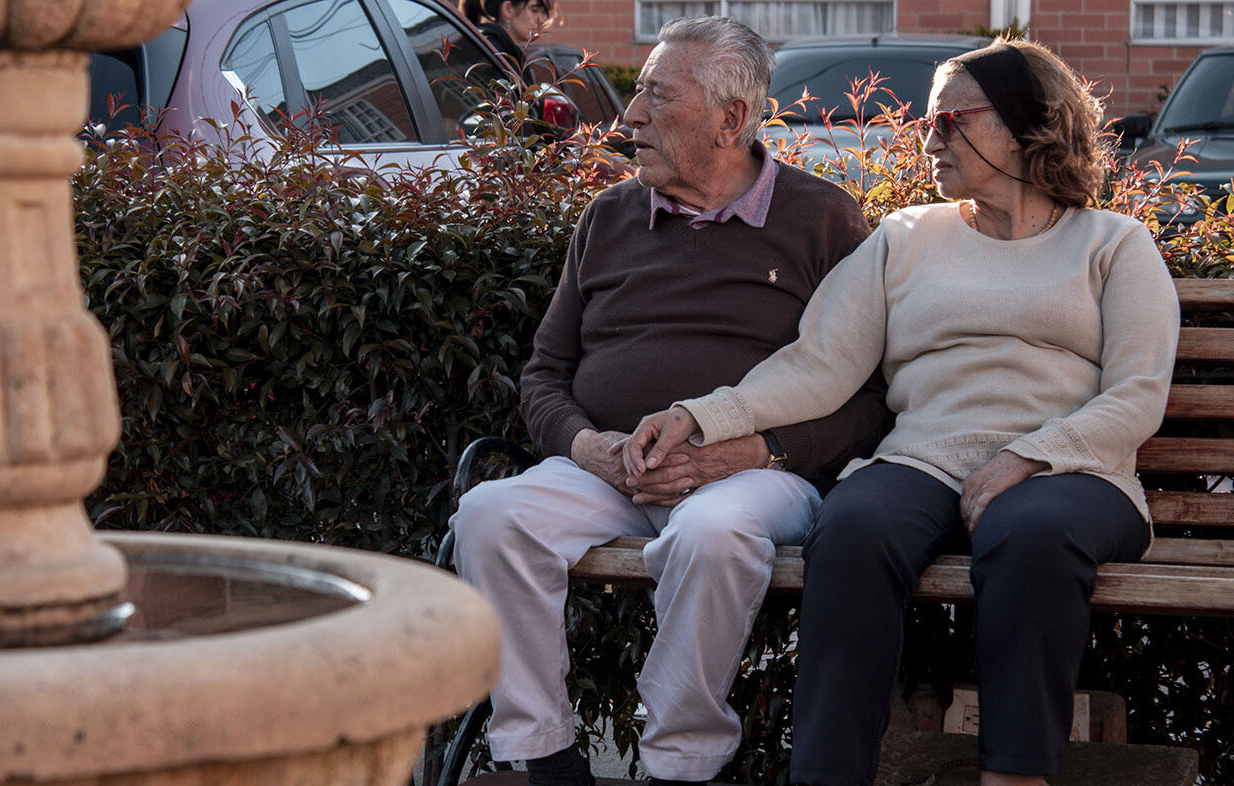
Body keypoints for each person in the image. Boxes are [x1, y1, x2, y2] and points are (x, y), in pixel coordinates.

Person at [622, 38, 1180, 786]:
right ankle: (826, 774)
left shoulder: (1112, 244)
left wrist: (1031, 456)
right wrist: (702, 414)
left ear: (1022, 124)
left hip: (1070, 470)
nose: (929, 138)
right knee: (851, 528)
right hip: (923, 461)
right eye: (926, 121)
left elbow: (1136, 392)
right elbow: (818, 364)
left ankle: (1013, 776)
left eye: (952, 120)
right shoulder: (906, 239)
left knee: (1032, 534)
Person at [449, 16, 891, 786]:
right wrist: (589, 447)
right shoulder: (609, 217)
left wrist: (749, 452)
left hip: (752, 474)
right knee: (489, 515)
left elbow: (868, 397)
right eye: (635, 95)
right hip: (608, 468)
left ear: (730, 118)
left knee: (713, 533)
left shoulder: (821, 220)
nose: (630, 117)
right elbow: (545, 373)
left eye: (658, 95)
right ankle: (540, 755)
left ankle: (681, 764)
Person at [460, 0, 553, 80]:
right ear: (507, 9)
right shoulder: (493, 51)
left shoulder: (502, 49)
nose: (541, 19)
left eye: (543, 13)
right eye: (534, 11)